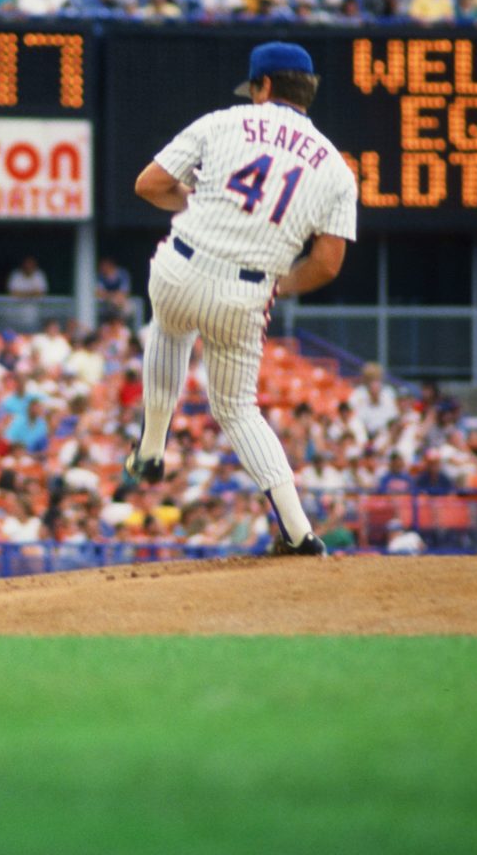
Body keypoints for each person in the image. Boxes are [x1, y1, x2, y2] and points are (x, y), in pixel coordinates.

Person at [128, 41, 357, 556]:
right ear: (308, 91)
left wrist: (198, 202)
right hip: (246, 291)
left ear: (265, 86)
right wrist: (280, 284)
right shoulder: (338, 168)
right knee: (236, 409)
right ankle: (299, 534)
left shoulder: (222, 122)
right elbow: (326, 263)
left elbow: (149, 184)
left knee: (169, 326)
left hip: (183, 264)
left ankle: (150, 447)